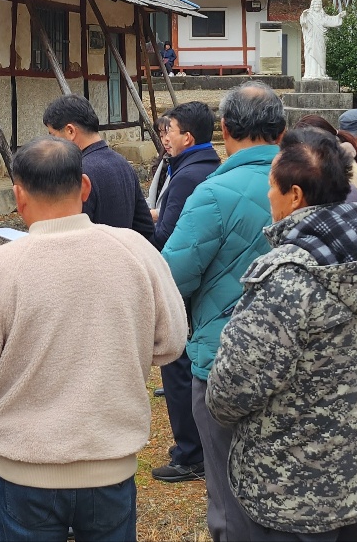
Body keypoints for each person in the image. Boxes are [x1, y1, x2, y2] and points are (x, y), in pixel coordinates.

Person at [0, 137, 187, 542]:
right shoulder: (135, 250)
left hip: (26, 467)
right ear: (84, 187)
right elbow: (172, 342)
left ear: (18, 196)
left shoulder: (1, 267)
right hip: (111, 462)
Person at [205, 126, 357, 541]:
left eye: (270, 187)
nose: (266, 196)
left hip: (289, 488)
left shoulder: (287, 278)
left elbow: (233, 388)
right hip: (352, 474)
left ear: (294, 196)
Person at [161, 81, 285, 540]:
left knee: (230, 492)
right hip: (299, 356)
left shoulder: (213, 193)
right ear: (282, 128)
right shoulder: (316, 180)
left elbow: (173, 275)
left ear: (226, 129)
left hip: (224, 356)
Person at [148, 101, 220, 483]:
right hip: (202, 285)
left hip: (182, 283)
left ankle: (190, 453)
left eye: (168, 131)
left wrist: (139, 221)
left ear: (187, 137)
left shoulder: (189, 175)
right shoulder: (202, 166)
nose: (164, 138)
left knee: (177, 365)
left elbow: (166, 236)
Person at [43, 94, 155, 240]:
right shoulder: (123, 164)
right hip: (123, 256)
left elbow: (69, 237)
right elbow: (145, 228)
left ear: (70, 131)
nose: (52, 142)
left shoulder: (76, 173)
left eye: (53, 135)